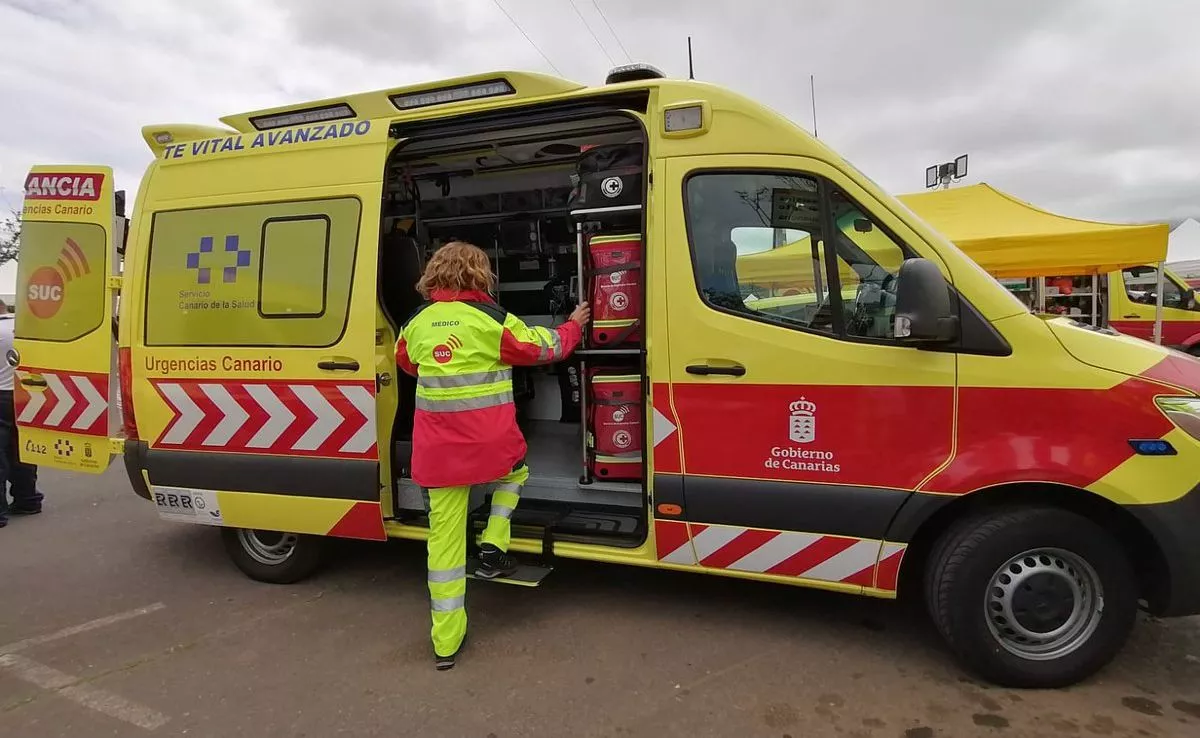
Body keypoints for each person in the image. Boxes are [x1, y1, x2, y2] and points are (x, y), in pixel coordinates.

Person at [395, 241, 589, 670]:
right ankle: (493, 545)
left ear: (435, 275)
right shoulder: (492, 319)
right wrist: (574, 324)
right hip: (491, 449)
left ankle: (445, 644)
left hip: (439, 457)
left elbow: (406, 363)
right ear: (480, 274)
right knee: (515, 474)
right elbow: (546, 348)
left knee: (442, 547)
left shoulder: (416, 323)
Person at [0, 299, 42, 528]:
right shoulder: (22, 326)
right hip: (26, 393)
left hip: (0, 394)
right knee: (23, 449)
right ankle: (28, 499)